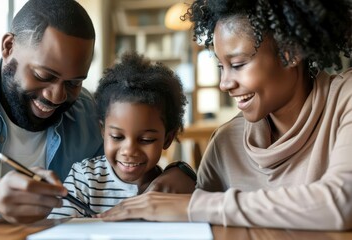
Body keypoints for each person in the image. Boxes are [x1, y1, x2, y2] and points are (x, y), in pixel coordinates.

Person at [0, 0, 195, 224]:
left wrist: (179, 172)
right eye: (44, 75)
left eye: (74, 82)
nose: (57, 96)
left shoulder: (90, 113)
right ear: (8, 47)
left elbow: (128, 166)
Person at [99, 0, 352, 230]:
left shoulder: (345, 100)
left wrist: (191, 206)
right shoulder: (226, 142)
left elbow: (342, 204)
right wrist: (182, 180)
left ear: (291, 52)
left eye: (238, 64)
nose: (224, 83)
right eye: (221, 66)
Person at [50, 52, 191, 217]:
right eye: (117, 137)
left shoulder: (170, 188)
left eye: (146, 140)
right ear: (103, 131)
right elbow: (59, 227)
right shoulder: (84, 178)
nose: (129, 150)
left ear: (167, 138)